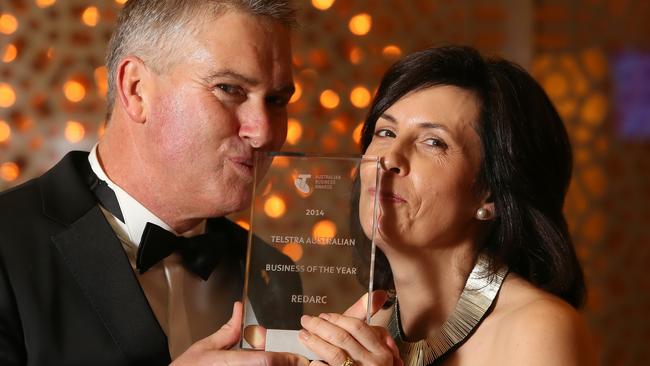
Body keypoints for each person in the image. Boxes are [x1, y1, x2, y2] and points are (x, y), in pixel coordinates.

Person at [0, 1, 315, 365]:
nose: (263, 132)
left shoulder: (275, 272)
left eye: (277, 100)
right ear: (135, 90)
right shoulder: (7, 246)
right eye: (230, 89)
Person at [297, 46, 596, 365]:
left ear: (490, 194)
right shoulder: (363, 333)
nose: (388, 158)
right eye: (385, 132)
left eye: (433, 142)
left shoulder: (538, 329)